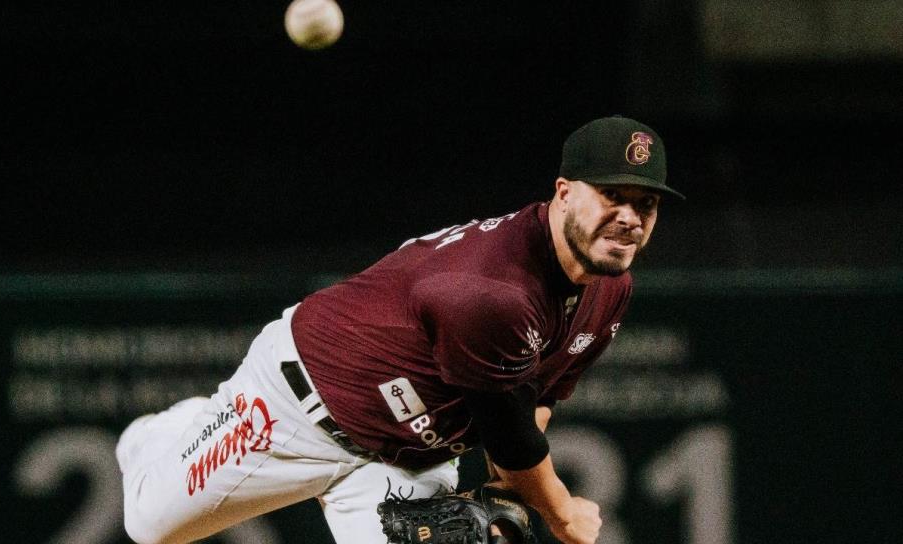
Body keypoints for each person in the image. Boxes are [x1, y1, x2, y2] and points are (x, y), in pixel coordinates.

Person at [116, 115, 685, 544]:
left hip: (407, 459)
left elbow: (536, 396)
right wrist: (561, 512)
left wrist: (509, 488)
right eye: (612, 195)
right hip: (296, 411)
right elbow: (511, 437)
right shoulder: (494, 291)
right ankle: (178, 426)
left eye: (646, 204)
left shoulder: (611, 287)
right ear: (564, 192)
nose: (630, 218)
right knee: (148, 526)